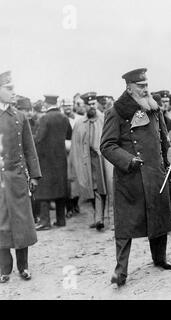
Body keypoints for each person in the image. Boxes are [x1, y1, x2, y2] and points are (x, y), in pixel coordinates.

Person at [100, 68, 171, 287]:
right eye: (141, 86)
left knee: (159, 216)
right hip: (130, 176)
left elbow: (164, 137)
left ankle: (160, 258)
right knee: (126, 225)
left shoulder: (153, 107)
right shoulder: (116, 112)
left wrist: (170, 157)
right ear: (129, 88)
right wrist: (128, 160)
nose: (145, 89)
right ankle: (120, 271)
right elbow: (106, 145)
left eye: (146, 84)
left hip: (155, 173)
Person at [0, 71, 41, 283]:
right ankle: (4, 269)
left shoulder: (19, 117)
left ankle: (23, 267)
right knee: (1, 223)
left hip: (17, 178)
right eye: (9, 88)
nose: (13, 92)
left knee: (22, 222)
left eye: (13, 87)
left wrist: (34, 176)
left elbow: (29, 148)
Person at [70, 92, 108, 231]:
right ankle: (97, 217)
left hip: (101, 160)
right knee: (89, 189)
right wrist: (75, 163)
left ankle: (99, 218)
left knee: (100, 188)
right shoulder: (79, 123)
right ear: (85, 106)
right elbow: (75, 145)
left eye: (94, 104)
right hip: (86, 161)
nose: (92, 107)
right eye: (89, 105)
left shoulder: (103, 119)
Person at [34, 94, 72, 230]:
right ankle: (61, 220)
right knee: (60, 188)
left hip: (46, 160)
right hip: (61, 159)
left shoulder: (44, 119)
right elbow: (69, 135)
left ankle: (45, 222)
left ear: (46, 104)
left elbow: (39, 139)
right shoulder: (64, 117)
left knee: (44, 190)